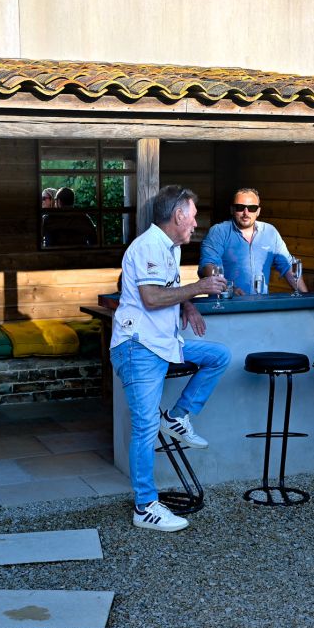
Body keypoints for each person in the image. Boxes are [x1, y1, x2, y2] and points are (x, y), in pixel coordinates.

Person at [110, 185, 231, 532]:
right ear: (178, 215)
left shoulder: (170, 248)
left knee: (218, 356)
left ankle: (177, 417)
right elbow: (150, 297)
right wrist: (199, 288)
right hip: (139, 347)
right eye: (193, 217)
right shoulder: (148, 245)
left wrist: (188, 305)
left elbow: (166, 289)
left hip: (163, 343)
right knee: (145, 427)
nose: (196, 224)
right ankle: (145, 506)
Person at [198, 188, 307, 294]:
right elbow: (208, 265)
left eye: (252, 208)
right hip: (226, 304)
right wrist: (228, 289)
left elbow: (288, 266)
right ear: (232, 210)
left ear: (258, 211)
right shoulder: (218, 232)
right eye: (240, 207)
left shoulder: (270, 232)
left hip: (259, 305)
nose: (246, 212)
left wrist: (306, 297)